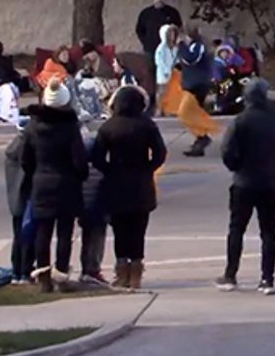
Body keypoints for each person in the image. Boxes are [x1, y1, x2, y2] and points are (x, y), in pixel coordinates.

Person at [216, 79, 275, 295]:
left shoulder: (241, 121)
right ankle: (267, 278)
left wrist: (236, 166)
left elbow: (227, 150)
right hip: (271, 181)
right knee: (268, 229)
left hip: (244, 181)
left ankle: (230, 274)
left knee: (236, 228)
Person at [92, 85, 167, 290]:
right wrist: (148, 168)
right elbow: (160, 153)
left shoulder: (108, 127)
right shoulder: (147, 125)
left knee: (120, 230)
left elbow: (97, 156)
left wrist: (109, 169)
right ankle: (136, 272)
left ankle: (121, 271)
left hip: (116, 182)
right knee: (138, 230)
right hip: (141, 183)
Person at [22, 78, 89, 292]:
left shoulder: (33, 127)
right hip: (67, 183)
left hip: (41, 182)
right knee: (64, 232)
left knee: (43, 231)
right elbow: (79, 158)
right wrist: (81, 175)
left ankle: (43, 278)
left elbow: (26, 159)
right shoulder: (70, 127)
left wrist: (35, 174)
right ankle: (61, 276)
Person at [135, 0, 183, 110]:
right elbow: (139, 30)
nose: (159, 0)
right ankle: (152, 102)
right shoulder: (146, 13)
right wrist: (146, 42)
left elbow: (178, 28)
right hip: (151, 49)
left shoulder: (172, 13)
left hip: (169, 50)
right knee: (151, 74)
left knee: (170, 75)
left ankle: (171, 102)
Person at [179, 27, 219, 157]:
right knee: (192, 113)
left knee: (185, 112)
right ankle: (200, 139)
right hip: (192, 84)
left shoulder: (197, 46)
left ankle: (202, 137)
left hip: (197, 85)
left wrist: (181, 47)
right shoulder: (192, 46)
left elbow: (191, 60)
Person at [4, 127, 34, 284]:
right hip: (26, 199)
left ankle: (17, 271)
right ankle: (24, 271)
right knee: (28, 235)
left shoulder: (11, 154)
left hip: (16, 202)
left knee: (19, 235)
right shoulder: (24, 151)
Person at [78, 133, 108, 285]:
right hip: (98, 210)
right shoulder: (102, 170)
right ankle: (92, 269)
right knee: (96, 241)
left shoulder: (79, 170)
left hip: (83, 209)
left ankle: (86, 268)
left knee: (86, 239)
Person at [154, 25, 181, 117]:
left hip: (173, 73)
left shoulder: (175, 48)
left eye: (174, 34)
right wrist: (166, 70)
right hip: (163, 73)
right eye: (170, 34)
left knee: (171, 92)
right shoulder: (161, 48)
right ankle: (159, 109)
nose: (172, 36)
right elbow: (159, 61)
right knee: (162, 92)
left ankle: (169, 109)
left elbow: (176, 58)